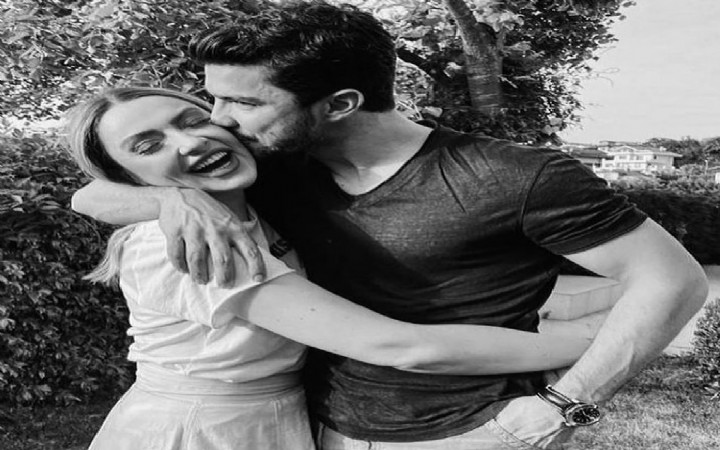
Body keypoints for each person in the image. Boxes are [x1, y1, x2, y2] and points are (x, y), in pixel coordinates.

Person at [72, 2, 709, 449]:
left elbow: (673, 281)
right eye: (214, 98)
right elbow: (92, 191)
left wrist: (569, 404)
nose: (218, 120)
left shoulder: (516, 176)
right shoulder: (271, 167)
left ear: (340, 104)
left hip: (476, 430)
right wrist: (170, 202)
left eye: (241, 101)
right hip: (319, 427)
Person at [66, 87, 593, 450]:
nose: (190, 142)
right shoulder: (181, 244)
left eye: (193, 120)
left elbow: (88, 196)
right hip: (201, 432)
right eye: (148, 146)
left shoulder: (256, 198)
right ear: (127, 177)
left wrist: (170, 195)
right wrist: (600, 341)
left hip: (278, 419)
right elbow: (399, 346)